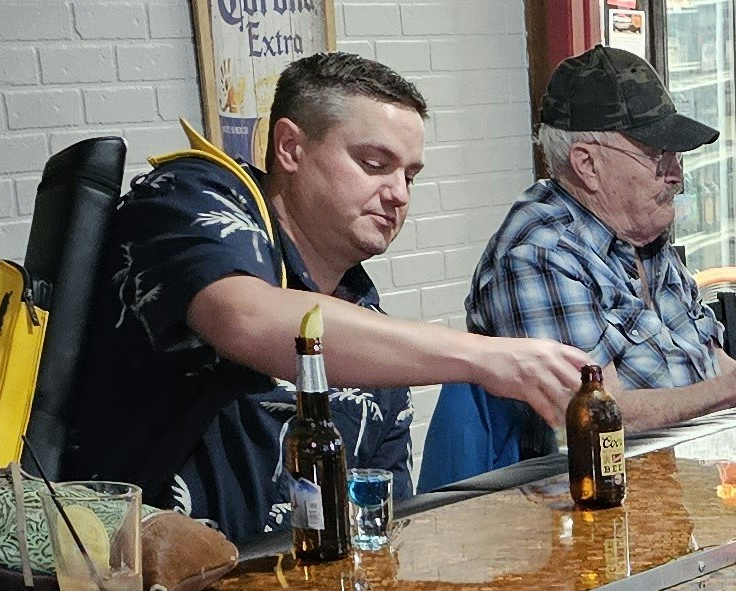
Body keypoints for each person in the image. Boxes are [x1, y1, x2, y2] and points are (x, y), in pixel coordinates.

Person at [59, 53, 591, 544]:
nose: (399, 194)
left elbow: (383, 530)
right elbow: (247, 318)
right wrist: (482, 356)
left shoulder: (365, 323)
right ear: (290, 147)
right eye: (375, 164)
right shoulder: (190, 195)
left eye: (410, 175)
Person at [467, 48, 736, 436]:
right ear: (587, 165)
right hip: (586, 491)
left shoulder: (641, 236)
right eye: (657, 156)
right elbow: (596, 418)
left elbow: (710, 370)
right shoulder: (540, 254)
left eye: (675, 156)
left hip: (682, 472)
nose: (677, 176)